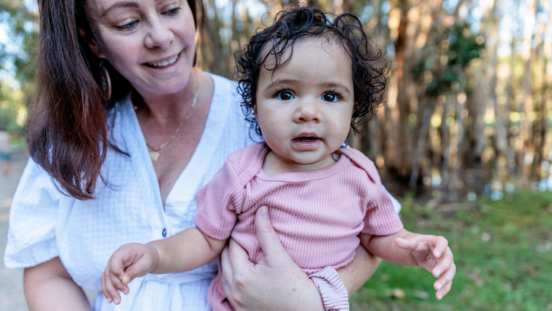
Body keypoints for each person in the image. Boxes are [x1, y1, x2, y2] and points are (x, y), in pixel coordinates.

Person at [4, 1, 397, 310]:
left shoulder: (275, 115)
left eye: (172, 9)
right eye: (127, 22)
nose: (160, 36)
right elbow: (47, 274)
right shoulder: (69, 139)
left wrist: (311, 300)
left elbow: (372, 230)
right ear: (91, 40)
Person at [101, 8, 456, 311]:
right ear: (254, 108)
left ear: (354, 108)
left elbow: (379, 238)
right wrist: (155, 256)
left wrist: (415, 249)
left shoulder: (360, 175)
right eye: (285, 93)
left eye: (331, 96)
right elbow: (205, 240)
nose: (307, 111)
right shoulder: (242, 173)